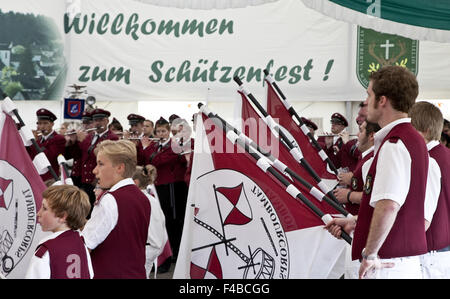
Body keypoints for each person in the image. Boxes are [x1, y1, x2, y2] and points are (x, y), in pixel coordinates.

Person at [325, 65, 429, 279]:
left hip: (386, 263)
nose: (366, 102)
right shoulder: (411, 139)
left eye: (369, 94)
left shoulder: (394, 144)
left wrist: (370, 254)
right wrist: (356, 221)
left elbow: (388, 205)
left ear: (382, 101)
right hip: (397, 260)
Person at [81, 139, 151, 278]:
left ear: (120, 168)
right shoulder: (142, 197)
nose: (95, 171)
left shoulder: (110, 199)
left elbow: (85, 245)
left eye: (100, 164)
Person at [409, 101, 450, 278]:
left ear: (424, 130)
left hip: (430, 252)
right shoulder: (446, 155)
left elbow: (422, 215)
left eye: (411, 128)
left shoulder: (427, 161)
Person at [143, 117, 188, 265]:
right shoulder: (154, 146)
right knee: (159, 219)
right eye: (158, 131)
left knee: (172, 220)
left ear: (169, 132)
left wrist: (146, 148)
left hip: (170, 187)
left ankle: (174, 252)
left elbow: (158, 161)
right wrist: (146, 147)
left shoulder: (174, 146)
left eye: (163, 131)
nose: (161, 134)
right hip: (157, 187)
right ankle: (164, 252)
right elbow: (144, 159)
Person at [25, 185, 93, 279]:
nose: (38, 213)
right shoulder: (81, 245)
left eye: (44, 208)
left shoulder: (46, 250)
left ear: (62, 217)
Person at [65, 108, 119, 217]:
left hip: (97, 181)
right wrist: (72, 142)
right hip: (84, 179)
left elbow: (98, 154)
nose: (97, 123)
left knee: (94, 212)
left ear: (107, 121)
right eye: (95, 120)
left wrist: (82, 140)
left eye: (100, 120)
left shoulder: (112, 137)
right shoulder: (89, 136)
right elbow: (78, 156)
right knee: (82, 210)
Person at [132, 165, 169, 277]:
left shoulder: (139, 201)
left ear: (135, 182)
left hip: (146, 249)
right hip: (152, 248)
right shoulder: (151, 200)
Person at [26, 108, 66, 184]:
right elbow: (30, 157)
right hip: (36, 178)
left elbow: (50, 157)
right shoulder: (38, 140)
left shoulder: (58, 139)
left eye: (45, 123)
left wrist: (35, 142)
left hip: (50, 180)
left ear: (52, 124)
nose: (42, 126)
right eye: (40, 123)